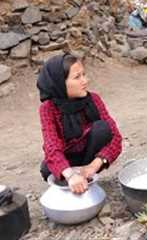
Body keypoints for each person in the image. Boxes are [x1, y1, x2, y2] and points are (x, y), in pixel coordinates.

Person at [37, 54, 122, 194]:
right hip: (68, 159)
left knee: (102, 129)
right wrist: (70, 174)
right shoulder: (48, 108)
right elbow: (51, 145)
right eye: (77, 77)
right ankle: (74, 182)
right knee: (47, 168)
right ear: (59, 82)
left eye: (84, 74)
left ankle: (86, 177)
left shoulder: (93, 99)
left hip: (91, 154)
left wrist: (93, 166)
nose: (85, 81)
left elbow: (116, 138)